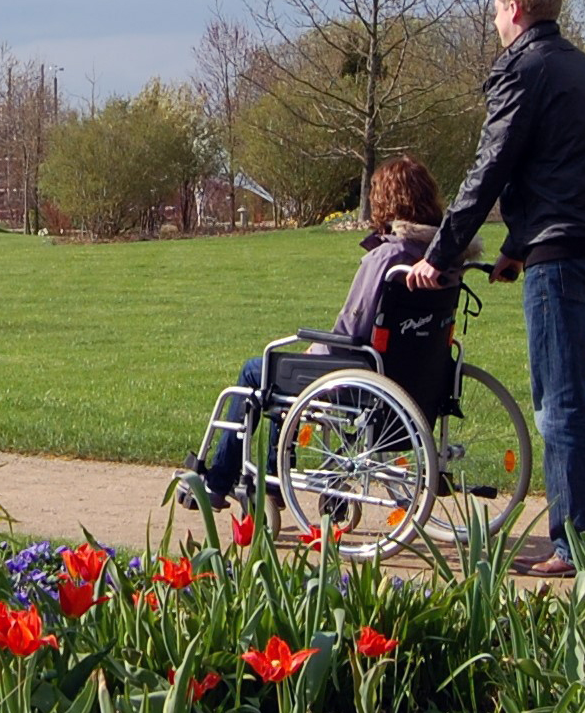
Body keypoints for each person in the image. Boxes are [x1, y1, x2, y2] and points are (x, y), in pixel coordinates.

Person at [405, 0, 585, 576]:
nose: (492, 18)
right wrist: (516, 244)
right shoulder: (584, 69)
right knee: (572, 382)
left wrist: (440, 254)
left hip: (564, 253)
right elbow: (566, 166)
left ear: (514, 9)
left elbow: (490, 169)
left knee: (556, 400)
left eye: (493, 7)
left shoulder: (522, 69)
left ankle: (576, 542)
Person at [188, 155, 449, 505]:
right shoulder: (438, 258)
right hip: (418, 375)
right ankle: (270, 481)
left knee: (256, 373)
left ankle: (218, 482)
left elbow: (352, 326)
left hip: (360, 373)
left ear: (385, 201)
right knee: (284, 378)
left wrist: (314, 351)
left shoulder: (388, 258)